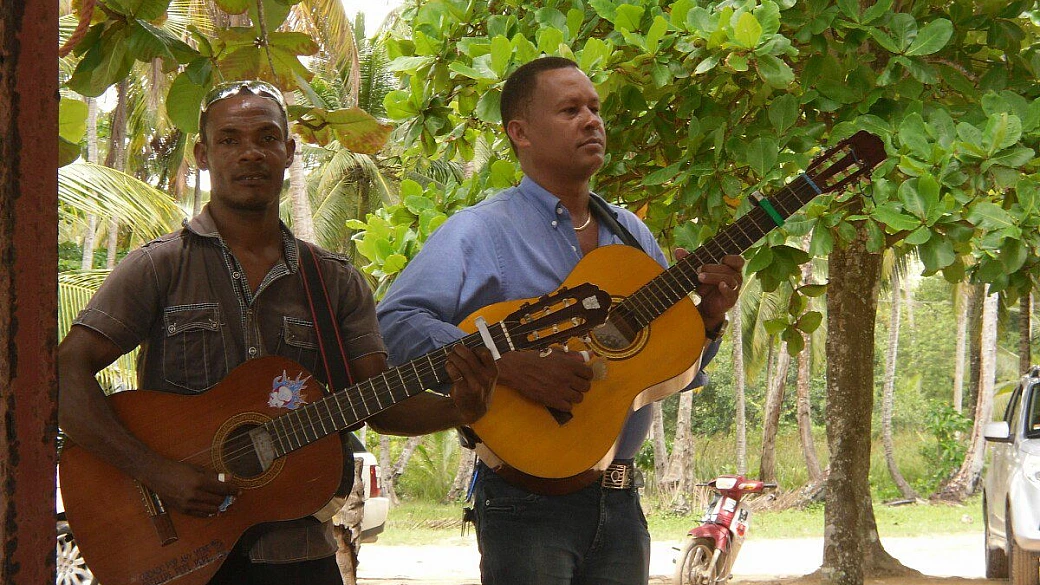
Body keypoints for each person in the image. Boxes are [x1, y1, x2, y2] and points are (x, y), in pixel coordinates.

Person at [57, 80, 497, 585]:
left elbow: (377, 403)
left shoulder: (334, 281)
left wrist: (460, 409)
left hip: (297, 552)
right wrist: (156, 472)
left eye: (266, 138)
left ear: (288, 152)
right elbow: (65, 373)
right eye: (229, 139)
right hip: (184, 551)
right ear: (202, 154)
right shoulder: (159, 267)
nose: (250, 153)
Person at [376, 57, 744, 585]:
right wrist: (506, 363)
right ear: (520, 133)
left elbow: (665, 369)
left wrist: (708, 320)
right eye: (571, 110)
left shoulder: (632, 235)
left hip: (622, 501)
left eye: (594, 108)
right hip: (524, 503)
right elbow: (396, 322)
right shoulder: (480, 230)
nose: (592, 120)